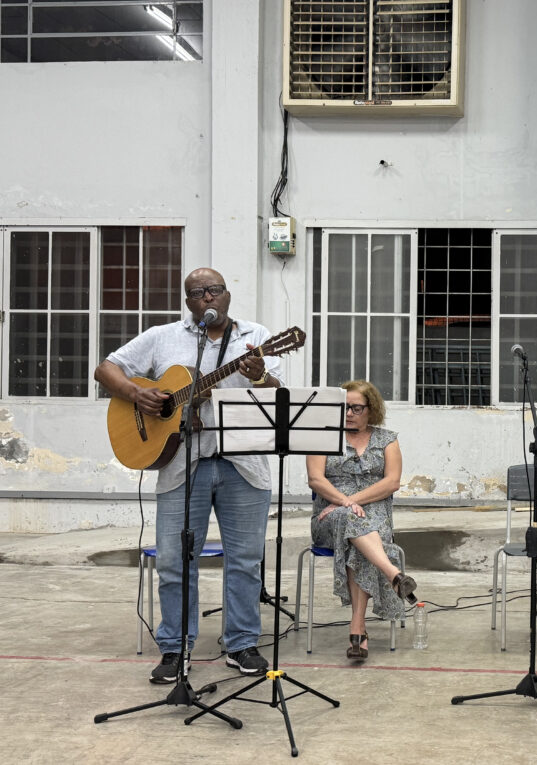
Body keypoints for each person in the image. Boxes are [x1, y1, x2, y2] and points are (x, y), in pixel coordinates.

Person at [95, 268, 281, 683]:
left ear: (227, 295)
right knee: (176, 562)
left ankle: (242, 644)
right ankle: (175, 650)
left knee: (246, 561)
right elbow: (105, 369)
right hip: (181, 466)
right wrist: (136, 393)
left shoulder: (256, 336)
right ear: (188, 301)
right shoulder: (163, 336)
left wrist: (259, 374)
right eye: (197, 293)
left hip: (244, 465)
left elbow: (275, 392)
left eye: (214, 290)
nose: (207, 298)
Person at [306, 379, 417, 663]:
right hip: (328, 517)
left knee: (359, 537)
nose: (349, 413)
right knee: (349, 521)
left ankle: (358, 629)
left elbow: (392, 482)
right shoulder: (322, 436)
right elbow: (316, 479)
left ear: (372, 409)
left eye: (356, 408)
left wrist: (353, 500)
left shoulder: (387, 439)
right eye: (343, 408)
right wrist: (344, 503)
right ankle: (394, 575)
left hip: (374, 513)